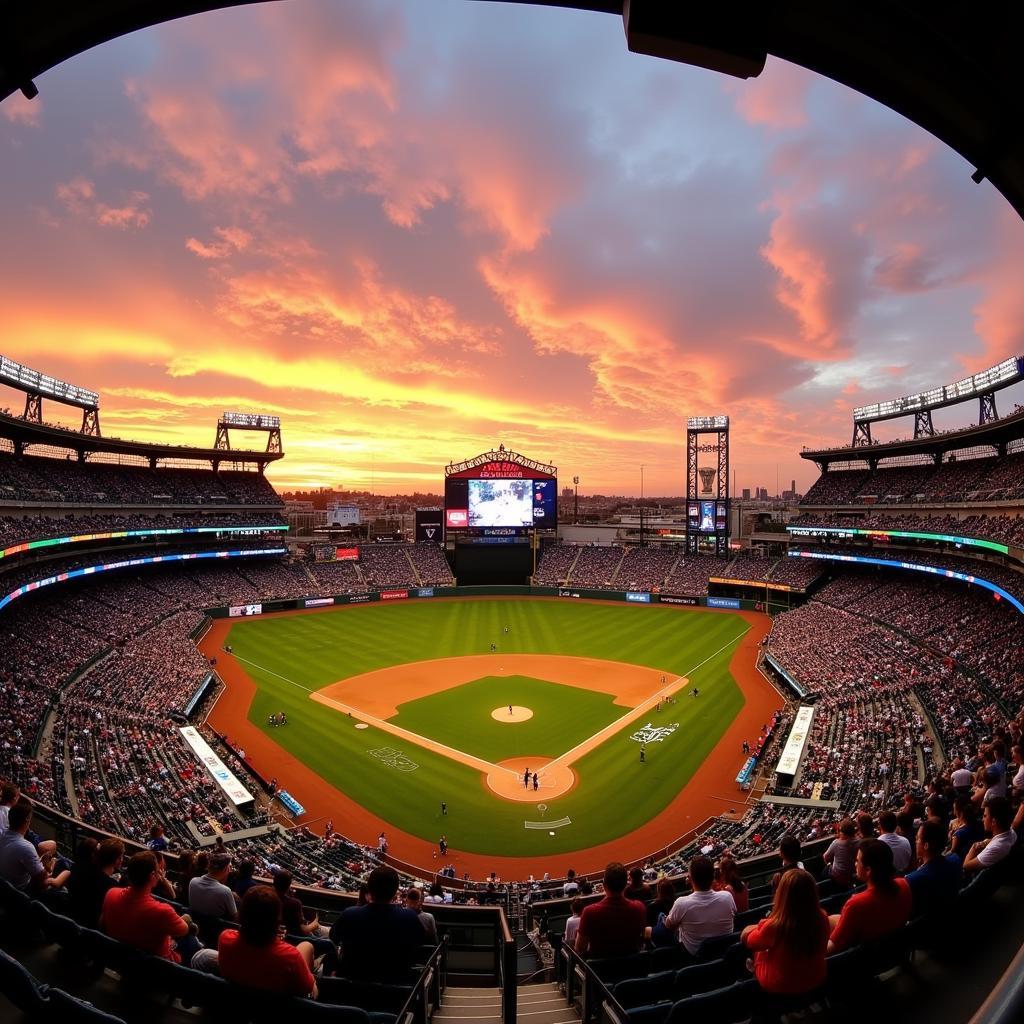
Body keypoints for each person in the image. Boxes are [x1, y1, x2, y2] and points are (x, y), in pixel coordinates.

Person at [102, 851, 216, 971]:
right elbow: (185, 930)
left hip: (119, 960)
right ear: (152, 875)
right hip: (156, 969)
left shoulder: (111, 893)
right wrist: (185, 918)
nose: (160, 873)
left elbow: (102, 923)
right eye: (158, 870)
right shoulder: (162, 911)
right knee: (191, 940)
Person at [218, 886, 317, 998]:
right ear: (277, 919)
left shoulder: (225, 938)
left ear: (242, 912)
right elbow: (308, 989)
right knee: (307, 945)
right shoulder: (291, 956)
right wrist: (312, 982)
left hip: (234, 1001)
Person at [741, 868, 829, 995]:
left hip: (782, 985)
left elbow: (748, 940)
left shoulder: (775, 926)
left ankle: (753, 970)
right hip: (816, 977)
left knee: (758, 950)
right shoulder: (822, 918)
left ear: (782, 894)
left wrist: (762, 924)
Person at [331, 867, 426, 982]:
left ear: (369, 889)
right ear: (396, 891)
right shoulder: (410, 917)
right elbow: (420, 943)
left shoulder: (349, 914)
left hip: (351, 989)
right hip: (398, 990)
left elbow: (333, 939)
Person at [827, 840, 911, 954]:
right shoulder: (904, 884)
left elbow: (832, 947)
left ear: (868, 870)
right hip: (896, 951)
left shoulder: (856, 904)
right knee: (832, 919)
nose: (855, 864)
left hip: (869, 961)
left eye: (857, 861)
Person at [660, 856, 736, 958]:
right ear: (713, 876)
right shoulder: (727, 897)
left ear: (690, 879)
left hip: (694, 956)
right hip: (726, 952)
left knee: (661, 918)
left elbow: (668, 926)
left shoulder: (681, 903)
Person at [574, 862, 646, 959]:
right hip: (632, 969)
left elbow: (579, 948)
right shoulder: (639, 908)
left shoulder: (589, 912)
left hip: (599, 972)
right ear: (626, 884)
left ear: (604, 885)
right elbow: (641, 939)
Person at [0, 799, 70, 893]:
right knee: (63, 864)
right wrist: (48, 865)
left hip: (6, 884)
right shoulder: (26, 847)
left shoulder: (2, 834)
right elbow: (42, 880)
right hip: (22, 891)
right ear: (27, 820)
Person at [905, 820, 962, 918]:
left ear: (926, 845)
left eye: (918, 838)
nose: (915, 841)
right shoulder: (955, 859)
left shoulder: (912, 880)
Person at [68, 837, 124, 928]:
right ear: (118, 860)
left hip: (73, 921)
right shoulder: (113, 887)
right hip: (91, 929)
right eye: (121, 856)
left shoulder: (83, 873)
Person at [963, 796, 1017, 873]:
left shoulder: (995, 847)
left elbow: (966, 866)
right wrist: (988, 841)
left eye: (985, 816)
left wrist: (973, 848)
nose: (982, 819)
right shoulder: (1012, 832)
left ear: (993, 822)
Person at [189, 852, 238, 929]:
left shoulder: (193, 881)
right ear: (226, 869)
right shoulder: (225, 891)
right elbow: (235, 918)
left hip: (196, 927)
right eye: (230, 867)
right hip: (215, 933)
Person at [823, 818, 858, 887]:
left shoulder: (836, 843)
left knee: (825, 870)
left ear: (842, 832)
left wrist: (829, 864)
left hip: (838, 876)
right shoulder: (859, 841)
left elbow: (825, 857)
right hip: (852, 874)